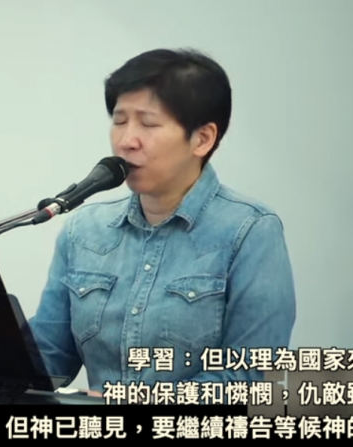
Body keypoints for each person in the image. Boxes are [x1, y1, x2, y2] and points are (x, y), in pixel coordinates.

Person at [27, 48, 296, 400]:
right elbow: (47, 358)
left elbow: (249, 375)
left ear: (202, 139)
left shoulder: (250, 231)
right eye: (120, 121)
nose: (127, 141)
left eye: (148, 123)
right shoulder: (84, 230)